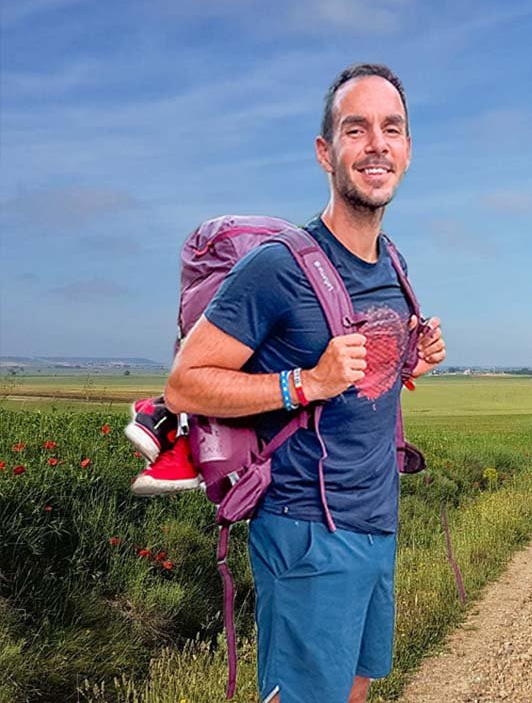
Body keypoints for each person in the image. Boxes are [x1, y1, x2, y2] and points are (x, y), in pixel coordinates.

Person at [163, 63, 444, 703]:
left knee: (356, 687)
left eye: (391, 128)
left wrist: (408, 361)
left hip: (376, 522)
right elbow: (185, 384)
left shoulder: (392, 260)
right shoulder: (278, 267)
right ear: (326, 152)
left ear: (408, 148)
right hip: (307, 531)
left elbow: (360, 379)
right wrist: (303, 384)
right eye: (356, 129)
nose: (376, 143)